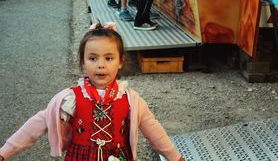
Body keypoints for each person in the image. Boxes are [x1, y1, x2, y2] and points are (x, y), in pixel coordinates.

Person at [0, 22, 184, 161]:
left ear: (120, 61)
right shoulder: (71, 98)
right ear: (83, 62)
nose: (101, 64)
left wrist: (175, 157)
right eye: (93, 58)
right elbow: (36, 124)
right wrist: (4, 152)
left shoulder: (131, 100)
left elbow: (154, 130)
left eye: (109, 58)